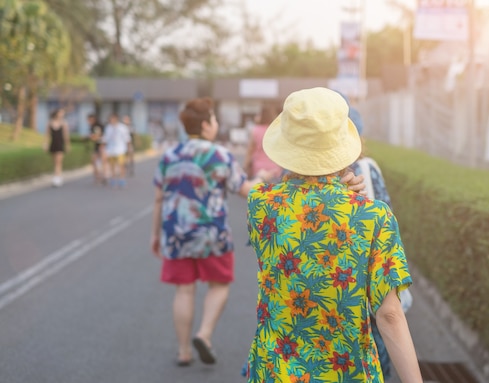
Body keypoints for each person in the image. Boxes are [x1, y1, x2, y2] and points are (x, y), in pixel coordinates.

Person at [151, 97, 366, 368]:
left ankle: (184, 351)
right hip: (211, 233)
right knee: (218, 285)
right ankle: (204, 333)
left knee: (184, 290)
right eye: (214, 120)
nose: (215, 124)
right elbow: (245, 189)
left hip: (175, 232)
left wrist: (155, 234)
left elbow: (159, 198)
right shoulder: (219, 155)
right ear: (206, 125)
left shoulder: (169, 156)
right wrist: (263, 177)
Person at [246, 87, 424, 382]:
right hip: (348, 372)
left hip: (274, 372)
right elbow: (390, 315)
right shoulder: (373, 216)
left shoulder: (260, 203)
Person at [345, 95, 415, 381]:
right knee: (376, 342)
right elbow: (386, 210)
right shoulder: (369, 176)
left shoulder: (269, 203)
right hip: (366, 291)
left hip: (287, 361)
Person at [243, 103, 282, 182]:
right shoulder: (277, 130)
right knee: (274, 193)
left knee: (259, 192)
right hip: (275, 169)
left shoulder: (255, 130)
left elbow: (250, 150)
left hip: (258, 169)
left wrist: (245, 165)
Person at [102, 114, 131, 188]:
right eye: (110, 119)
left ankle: (122, 179)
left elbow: (127, 138)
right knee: (112, 165)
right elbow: (105, 139)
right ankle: (113, 178)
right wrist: (104, 149)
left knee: (121, 165)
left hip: (120, 149)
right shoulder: (108, 128)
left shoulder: (122, 128)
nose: (111, 121)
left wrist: (129, 148)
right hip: (111, 149)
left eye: (112, 119)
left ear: (116, 119)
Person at [45, 108, 70, 187]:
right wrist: (45, 144)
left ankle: (57, 178)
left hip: (60, 144)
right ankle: (57, 175)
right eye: (60, 113)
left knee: (58, 162)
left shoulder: (64, 123)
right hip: (53, 143)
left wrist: (67, 145)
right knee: (54, 162)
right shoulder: (50, 123)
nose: (62, 114)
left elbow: (66, 135)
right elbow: (47, 134)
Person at [87, 114, 106, 184]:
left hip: (101, 145)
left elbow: (97, 137)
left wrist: (91, 137)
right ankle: (99, 176)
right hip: (98, 145)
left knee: (100, 161)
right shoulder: (93, 126)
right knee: (95, 161)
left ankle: (101, 176)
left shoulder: (96, 127)